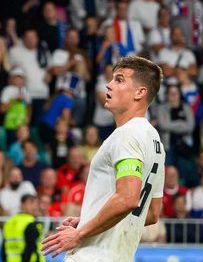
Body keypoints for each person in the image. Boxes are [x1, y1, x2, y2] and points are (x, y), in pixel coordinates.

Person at [42, 55, 166, 261]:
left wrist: (80, 233)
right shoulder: (156, 143)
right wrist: (89, 220)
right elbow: (151, 213)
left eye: (119, 80)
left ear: (140, 92)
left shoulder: (127, 134)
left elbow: (127, 199)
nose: (109, 85)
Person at [1, 194, 44, 262]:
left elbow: (3, 251)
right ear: (22, 205)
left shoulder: (9, 222)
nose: (35, 207)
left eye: (36, 204)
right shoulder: (32, 223)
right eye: (31, 203)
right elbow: (30, 249)